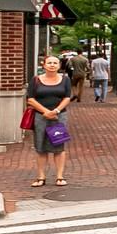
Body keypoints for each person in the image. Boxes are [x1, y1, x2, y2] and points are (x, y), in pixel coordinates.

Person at [24, 55, 74, 187]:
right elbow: (30, 99)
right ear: (44, 65)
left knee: (59, 146)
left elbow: (67, 97)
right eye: (49, 63)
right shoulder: (36, 80)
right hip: (41, 117)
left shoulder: (65, 80)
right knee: (40, 147)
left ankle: (59, 176)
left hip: (59, 116)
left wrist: (55, 111)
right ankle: (41, 177)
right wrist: (45, 112)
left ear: (59, 66)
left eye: (55, 63)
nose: (52, 65)